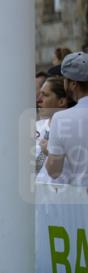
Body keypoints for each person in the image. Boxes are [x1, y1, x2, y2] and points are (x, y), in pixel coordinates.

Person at [46, 51, 88, 187]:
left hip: (81, 196)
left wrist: (48, 151)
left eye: (65, 79)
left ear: (73, 84)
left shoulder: (61, 119)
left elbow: (54, 171)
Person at [35, 77, 73, 179]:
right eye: (40, 94)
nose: (38, 100)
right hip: (33, 187)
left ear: (61, 102)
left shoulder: (74, 130)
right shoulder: (36, 127)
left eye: (45, 95)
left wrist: (54, 154)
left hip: (63, 187)